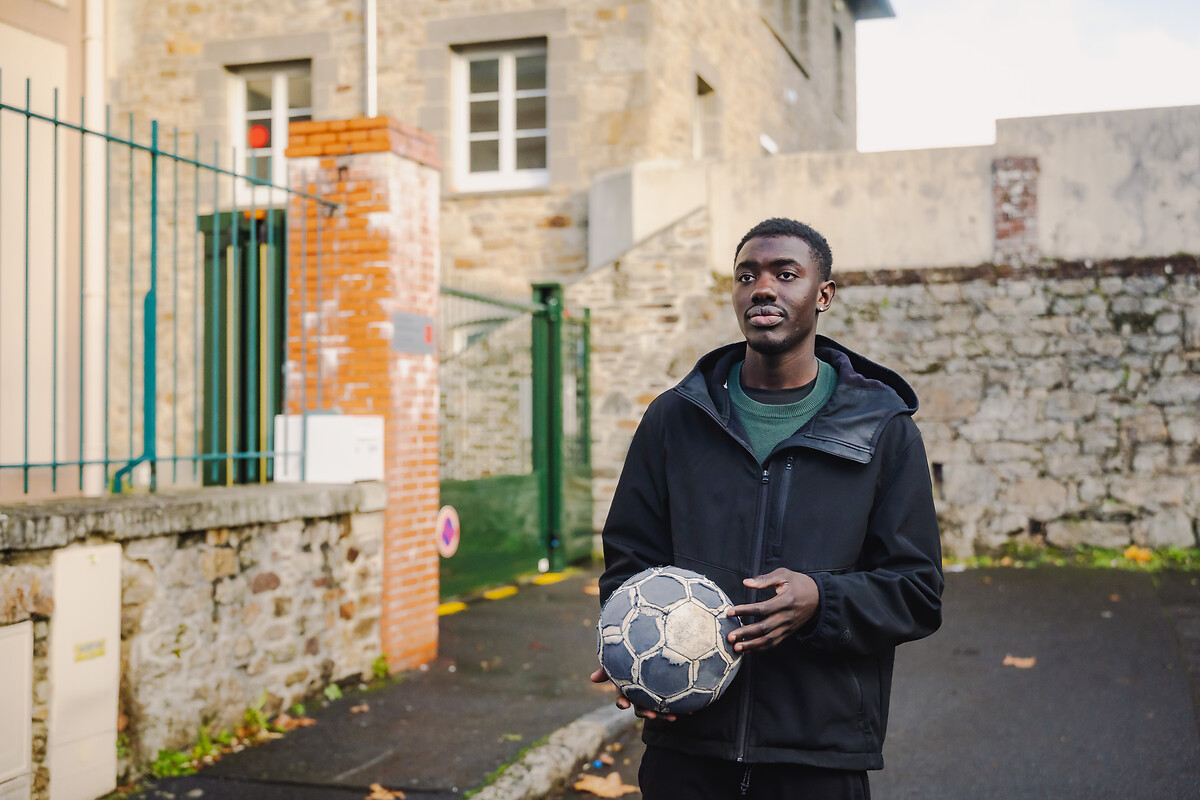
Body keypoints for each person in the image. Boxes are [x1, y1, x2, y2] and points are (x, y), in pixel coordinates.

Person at [589, 217, 944, 799]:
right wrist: (634, 655)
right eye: (746, 275)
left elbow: (918, 592)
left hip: (817, 756)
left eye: (786, 274)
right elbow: (630, 562)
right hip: (687, 748)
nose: (763, 288)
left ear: (822, 295)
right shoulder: (675, 420)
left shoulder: (883, 431)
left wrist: (821, 601)